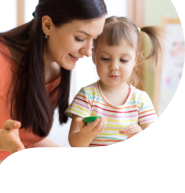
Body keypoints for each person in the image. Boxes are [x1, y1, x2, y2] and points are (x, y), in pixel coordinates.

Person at [0, 0, 107, 159]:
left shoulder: (56, 71)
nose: (87, 51)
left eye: (93, 40)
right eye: (80, 38)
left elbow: (29, 139)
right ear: (47, 25)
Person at [65, 16, 164, 148]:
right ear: (94, 56)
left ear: (135, 60)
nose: (114, 67)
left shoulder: (141, 100)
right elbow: (74, 143)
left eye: (123, 60)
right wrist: (85, 135)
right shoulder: (87, 95)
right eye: (105, 58)